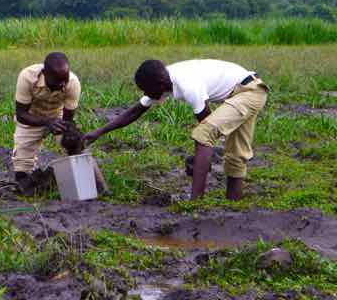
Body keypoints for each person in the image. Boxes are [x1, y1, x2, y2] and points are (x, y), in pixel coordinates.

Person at [84, 59, 269, 200]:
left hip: (250, 92)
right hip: (241, 92)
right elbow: (134, 112)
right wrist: (97, 133)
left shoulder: (187, 84)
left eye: (146, 90)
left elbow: (206, 128)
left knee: (203, 134)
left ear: (159, 83)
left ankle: (195, 202)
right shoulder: (164, 79)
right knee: (236, 155)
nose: (146, 94)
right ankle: (233, 205)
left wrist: (200, 160)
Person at [13, 52, 81, 195]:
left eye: (65, 80)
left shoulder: (73, 83)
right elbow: (21, 115)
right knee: (21, 168)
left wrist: (69, 137)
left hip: (58, 115)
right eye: (58, 81)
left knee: (74, 142)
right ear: (45, 74)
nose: (63, 84)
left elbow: (67, 121)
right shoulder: (27, 77)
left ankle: (79, 179)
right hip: (31, 116)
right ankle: (29, 186)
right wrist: (47, 122)